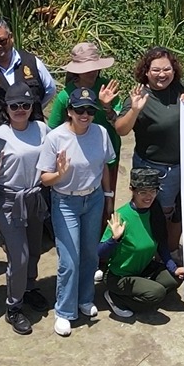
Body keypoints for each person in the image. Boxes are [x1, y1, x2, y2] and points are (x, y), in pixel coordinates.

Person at [39, 86, 117, 337]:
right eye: (79, 110)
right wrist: (60, 174)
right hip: (65, 202)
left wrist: (108, 196)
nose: (85, 114)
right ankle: (63, 310)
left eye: (90, 110)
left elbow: (104, 166)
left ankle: (84, 299)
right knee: (69, 259)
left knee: (89, 254)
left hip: (93, 199)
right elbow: (44, 179)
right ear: (69, 111)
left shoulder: (101, 133)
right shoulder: (55, 138)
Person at [0, 82, 50, 336]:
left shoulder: (42, 129)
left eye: (25, 105)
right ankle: (14, 306)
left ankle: (29, 288)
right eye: (14, 106)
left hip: (35, 196)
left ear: (32, 107)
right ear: (6, 108)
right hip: (10, 201)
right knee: (18, 256)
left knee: (34, 250)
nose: (20, 110)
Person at [114, 46, 184, 250]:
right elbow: (121, 129)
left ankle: (169, 252)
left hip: (182, 166)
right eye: (156, 70)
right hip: (153, 168)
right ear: (146, 72)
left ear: (174, 70)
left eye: (166, 69)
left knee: (178, 212)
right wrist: (134, 110)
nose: (162, 74)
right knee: (156, 213)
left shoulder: (181, 89)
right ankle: (153, 253)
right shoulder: (140, 95)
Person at [47, 42, 122, 221]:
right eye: (86, 68)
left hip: (107, 153)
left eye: (94, 67)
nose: (92, 72)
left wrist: (106, 106)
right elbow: (52, 129)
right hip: (75, 158)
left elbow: (119, 123)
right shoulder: (65, 95)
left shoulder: (108, 88)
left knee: (107, 199)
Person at [98, 166, 184, 318]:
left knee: (176, 278)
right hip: (119, 276)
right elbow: (98, 253)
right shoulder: (121, 216)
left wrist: (173, 268)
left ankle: (144, 288)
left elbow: (162, 244)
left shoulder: (155, 212)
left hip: (143, 269)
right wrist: (114, 239)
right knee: (156, 293)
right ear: (132, 190)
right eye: (143, 192)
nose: (148, 197)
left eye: (153, 191)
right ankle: (116, 298)